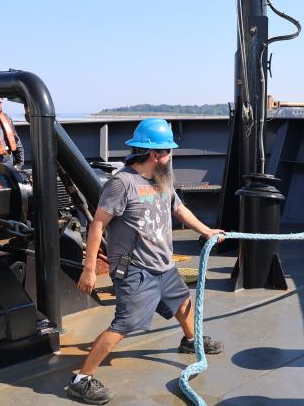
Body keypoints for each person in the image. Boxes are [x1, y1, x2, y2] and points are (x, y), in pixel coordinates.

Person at [68, 118, 226, 404]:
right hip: (135, 269)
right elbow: (97, 225)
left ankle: (191, 342)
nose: (170, 156)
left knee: (182, 303)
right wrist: (89, 270)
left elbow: (179, 208)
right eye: (168, 151)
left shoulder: (162, 179)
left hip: (163, 264)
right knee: (124, 325)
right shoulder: (122, 183)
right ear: (156, 154)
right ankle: (81, 379)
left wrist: (206, 231)